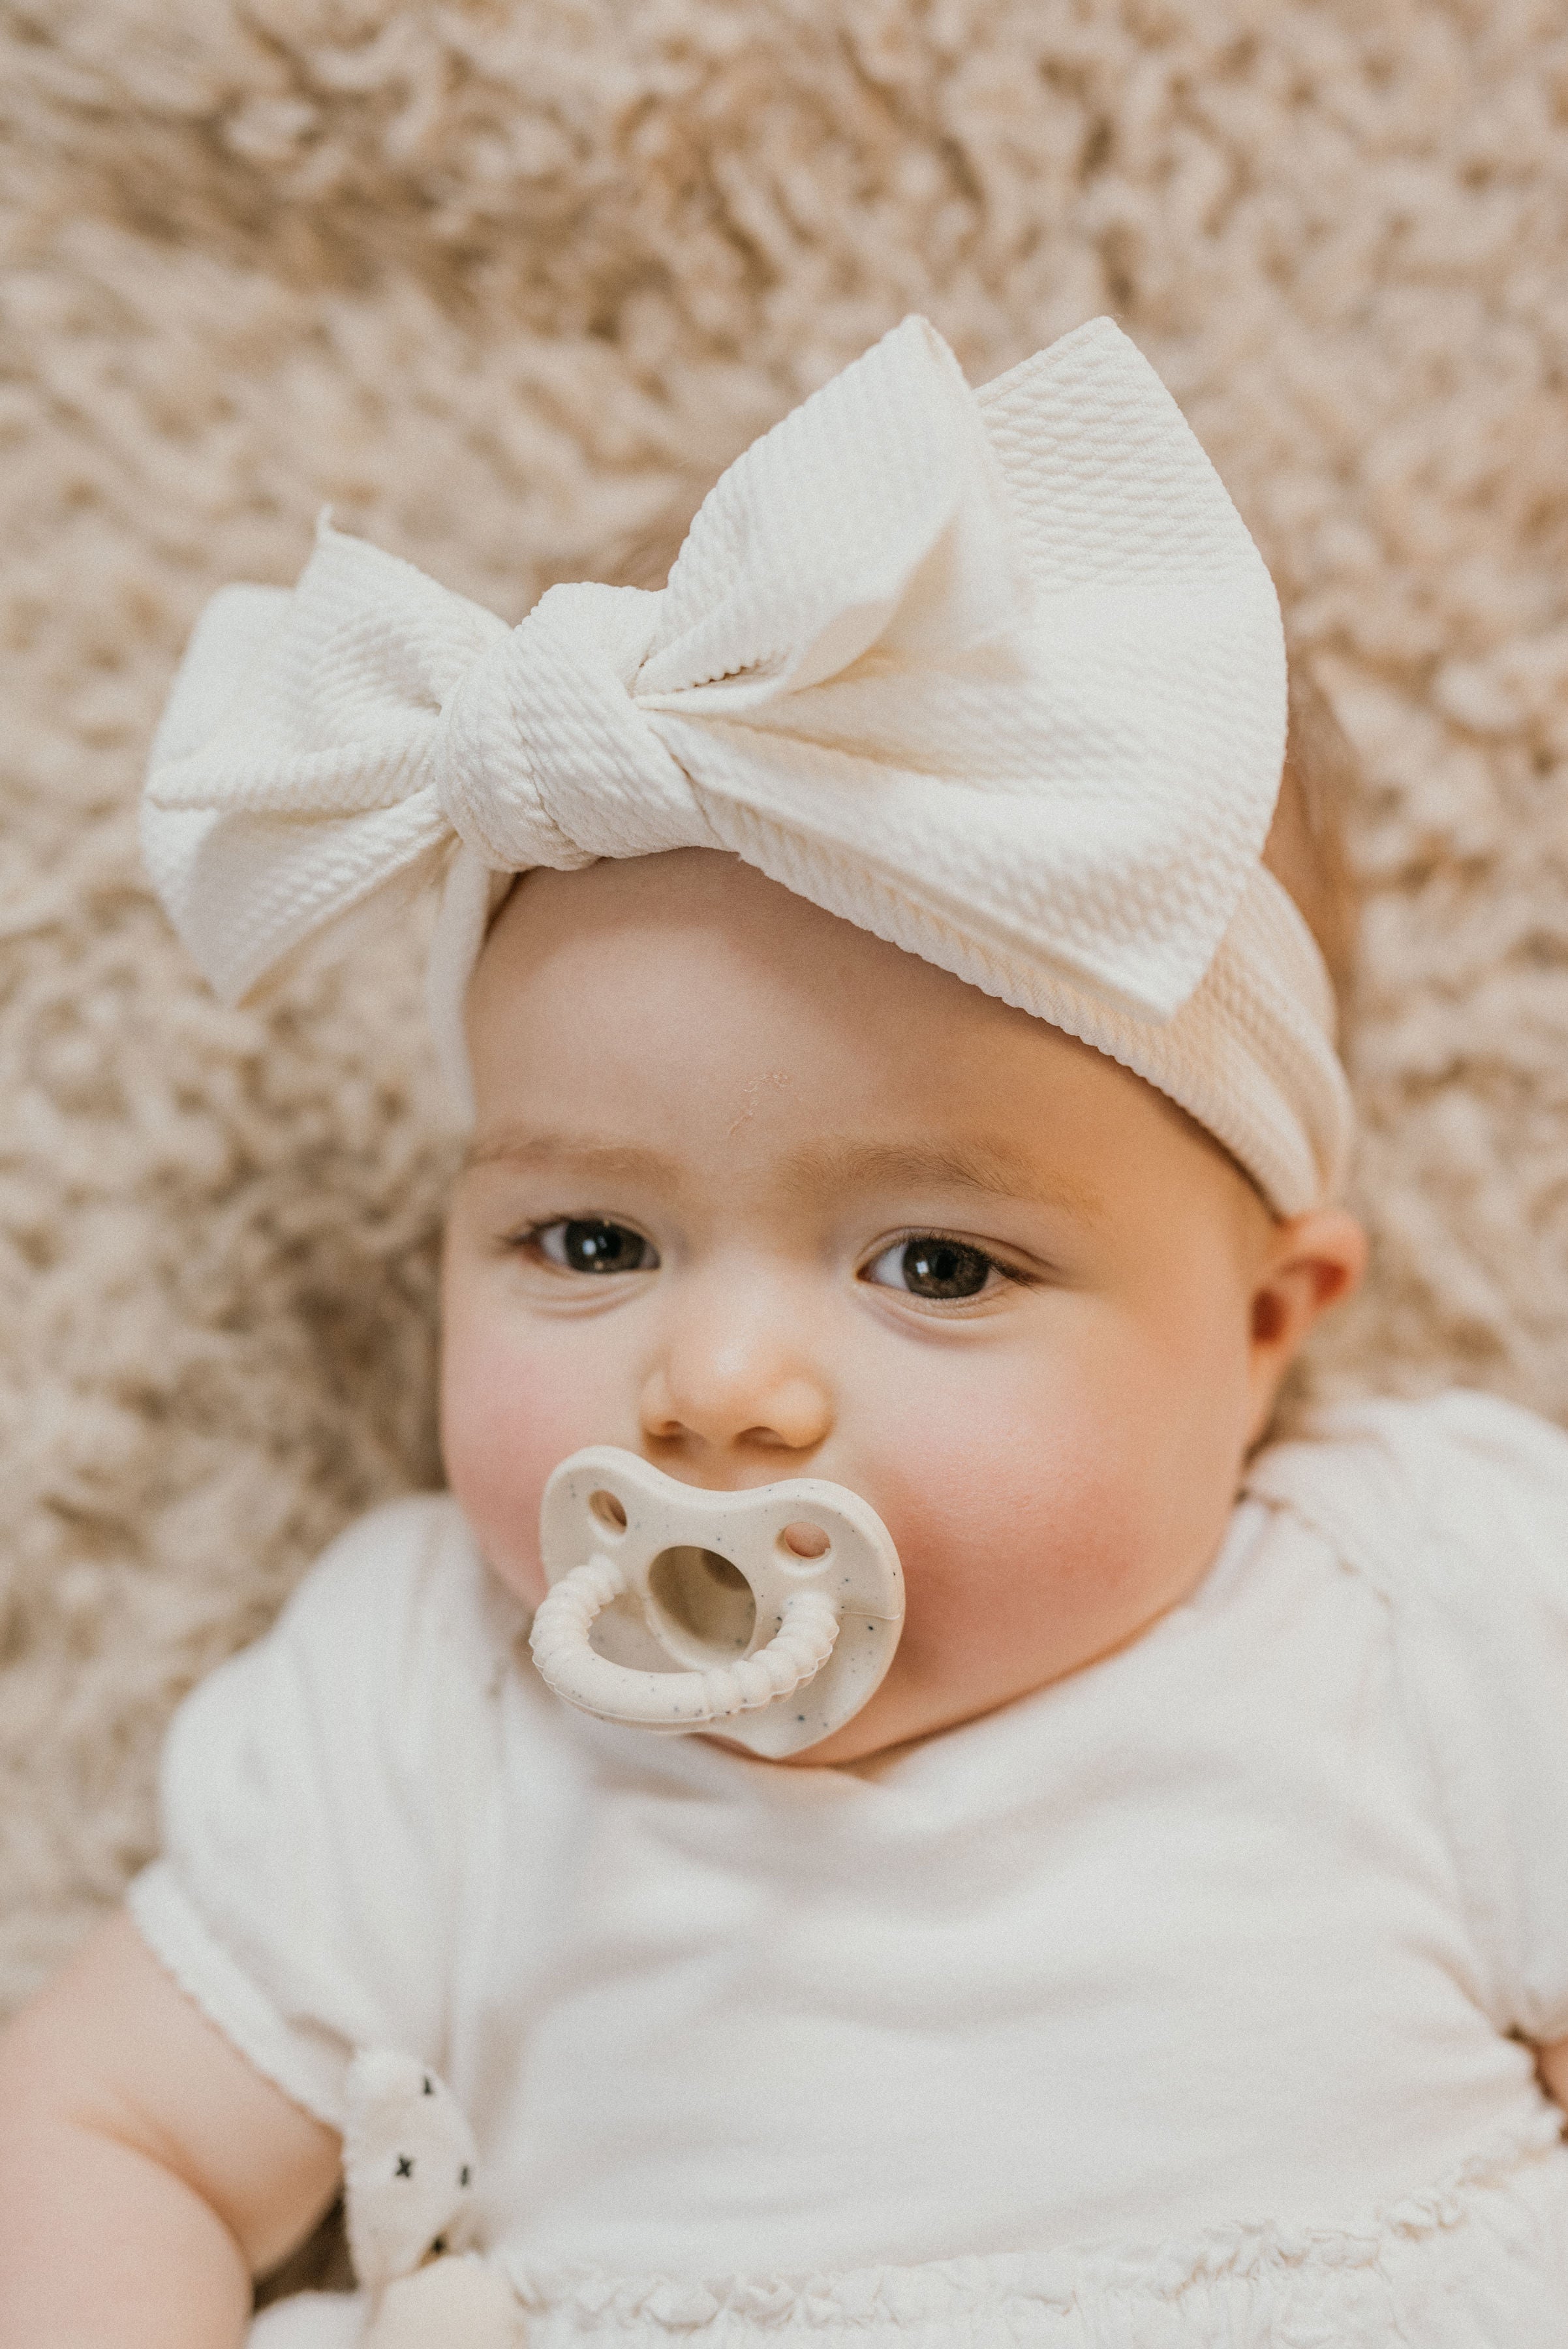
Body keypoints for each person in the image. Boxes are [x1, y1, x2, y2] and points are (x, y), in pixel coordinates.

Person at [4, 313, 1568, 2349]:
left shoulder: (1428, 1605)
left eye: (939, 1267)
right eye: (590, 1239)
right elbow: (102, 2131)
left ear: (1266, 1328)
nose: (720, 1392)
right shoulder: (432, 1700)